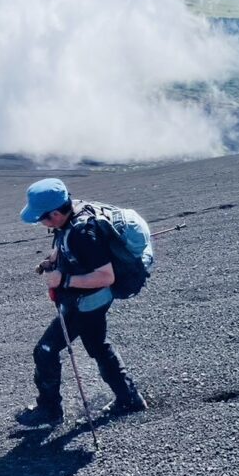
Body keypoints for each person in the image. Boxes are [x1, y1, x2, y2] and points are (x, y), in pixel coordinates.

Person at [16, 178, 147, 427]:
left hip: (88, 302)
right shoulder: (73, 213)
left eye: (41, 218)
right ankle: (129, 398)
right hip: (90, 300)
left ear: (55, 214)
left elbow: (106, 276)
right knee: (98, 346)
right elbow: (65, 242)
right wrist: (52, 260)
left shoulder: (84, 233)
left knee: (45, 349)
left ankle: (49, 411)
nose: (40, 223)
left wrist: (63, 280)